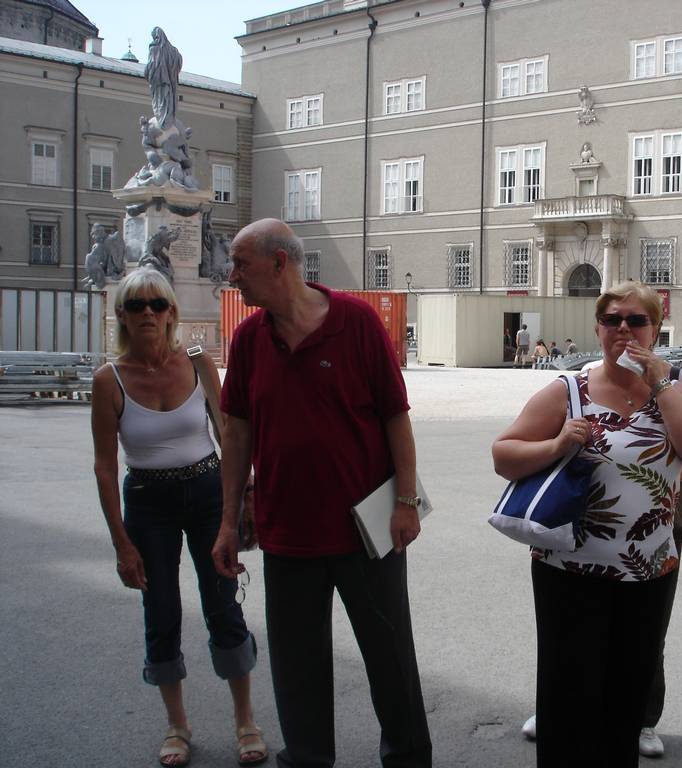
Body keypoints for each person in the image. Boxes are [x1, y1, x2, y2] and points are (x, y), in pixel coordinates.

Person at [212, 219, 432, 768]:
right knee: (297, 666)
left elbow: (396, 417)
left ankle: (408, 759)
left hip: (366, 530)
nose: (232, 274)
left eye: (240, 264)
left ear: (279, 263)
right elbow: (236, 433)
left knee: (390, 658)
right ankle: (308, 759)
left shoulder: (356, 322)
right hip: (286, 533)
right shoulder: (249, 338)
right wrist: (228, 521)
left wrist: (406, 502)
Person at [493, 281, 682, 767]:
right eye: (612, 319)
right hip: (568, 571)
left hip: (648, 571)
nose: (624, 329)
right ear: (597, 328)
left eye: (637, 320)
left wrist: (660, 384)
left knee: (626, 698)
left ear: (656, 328)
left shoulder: (675, 386)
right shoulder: (568, 390)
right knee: (566, 693)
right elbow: (504, 455)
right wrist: (556, 446)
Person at [91, 267, 266, 767]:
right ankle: (177, 725)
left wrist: (244, 497)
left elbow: (228, 433)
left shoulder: (197, 362)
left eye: (158, 304)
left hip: (208, 492)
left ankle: (245, 720)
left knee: (222, 605)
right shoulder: (109, 380)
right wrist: (121, 543)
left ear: (172, 313)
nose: (148, 313)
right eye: (137, 305)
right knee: (161, 610)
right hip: (148, 501)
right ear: (122, 315)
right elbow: (105, 468)